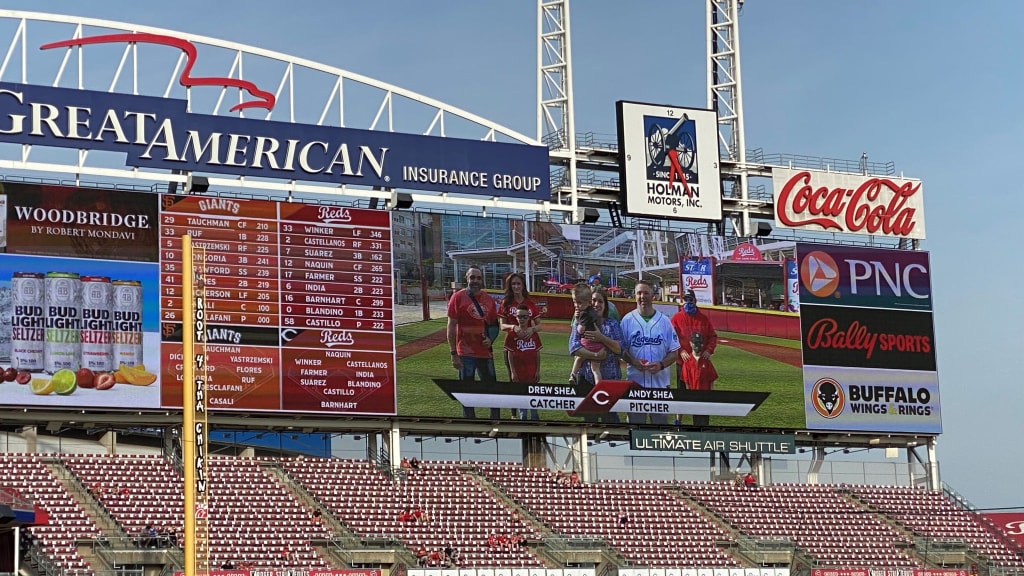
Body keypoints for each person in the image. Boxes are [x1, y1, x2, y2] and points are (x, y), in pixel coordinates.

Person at [620, 280, 680, 424]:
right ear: (634, 296)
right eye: (639, 293)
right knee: (635, 429)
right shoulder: (627, 320)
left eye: (646, 293)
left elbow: (674, 353)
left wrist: (661, 364)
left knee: (659, 431)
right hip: (635, 384)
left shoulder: (664, 321)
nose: (642, 296)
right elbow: (620, 350)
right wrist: (634, 362)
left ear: (653, 295)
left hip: (660, 386)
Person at [447, 265, 500, 418]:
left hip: (484, 353)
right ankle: (470, 425)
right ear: (466, 279)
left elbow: (494, 325)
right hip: (465, 352)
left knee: (493, 391)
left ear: (482, 280)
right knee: (467, 394)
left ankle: (495, 423)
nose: (475, 281)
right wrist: (453, 353)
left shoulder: (489, 299)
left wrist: (491, 339)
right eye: (472, 277)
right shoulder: (457, 297)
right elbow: (451, 327)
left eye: (478, 278)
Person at [568, 287, 626, 423]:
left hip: (610, 381)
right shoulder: (579, 321)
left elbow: (620, 349)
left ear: (605, 305)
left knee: (611, 421)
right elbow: (574, 348)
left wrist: (601, 338)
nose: (596, 304)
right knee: (590, 422)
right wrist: (596, 355)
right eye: (593, 300)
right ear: (588, 302)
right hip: (586, 380)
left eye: (600, 301)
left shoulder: (612, 324)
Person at [670, 289, 719, 426]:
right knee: (682, 392)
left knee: (701, 392)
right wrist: (680, 350)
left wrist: (709, 350)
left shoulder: (703, 319)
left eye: (690, 300)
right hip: (683, 362)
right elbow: (671, 337)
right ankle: (678, 420)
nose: (688, 302)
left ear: (695, 301)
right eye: (685, 300)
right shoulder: (676, 318)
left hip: (700, 362)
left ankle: (701, 423)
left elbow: (713, 337)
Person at [504, 304, 543, 420]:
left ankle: (535, 422)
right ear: (516, 318)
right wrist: (513, 372)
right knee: (522, 401)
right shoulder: (511, 334)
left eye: (524, 317)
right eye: (519, 316)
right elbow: (509, 354)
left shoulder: (533, 334)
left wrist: (538, 370)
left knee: (533, 399)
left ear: (529, 318)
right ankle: (523, 421)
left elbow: (537, 353)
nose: (522, 319)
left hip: (531, 372)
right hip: (519, 373)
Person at [568, 284, 606, 386]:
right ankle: (599, 385)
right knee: (596, 370)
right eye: (575, 302)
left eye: (579, 303)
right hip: (598, 345)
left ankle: (573, 374)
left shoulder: (584, 313)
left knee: (579, 358)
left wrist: (577, 321)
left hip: (588, 343)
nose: (576, 305)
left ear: (589, 303)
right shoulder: (594, 313)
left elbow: (580, 330)